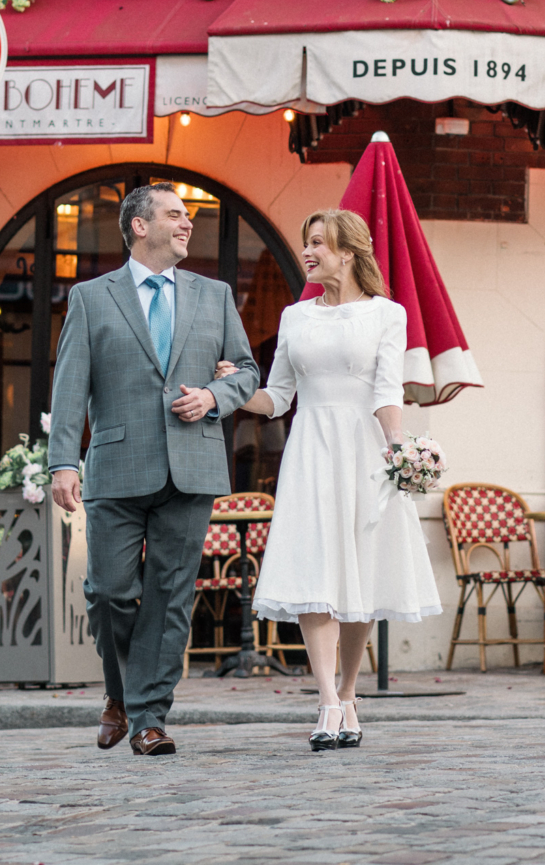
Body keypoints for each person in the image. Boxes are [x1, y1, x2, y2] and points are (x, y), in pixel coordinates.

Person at [49, 183, 260, 756]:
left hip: (192, 463)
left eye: (188, 216)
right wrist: (63, 461)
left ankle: (148, 719)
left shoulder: (213, 295)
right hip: (117, 464)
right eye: (175, 215)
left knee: (169, 596)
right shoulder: (92, 297)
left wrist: (215, 396)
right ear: (140, 226)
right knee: (109, 591)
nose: (187, 224)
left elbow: (247, 370)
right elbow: (71, 385)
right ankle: (121, 695)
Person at [225, 208, 441, 751]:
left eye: (318, 242)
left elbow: (387, 392)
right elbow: (276, 399)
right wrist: (227, 389)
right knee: (314, 571)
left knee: (360, 578)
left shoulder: (388, 315)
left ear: (348, 252)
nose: (308, 251)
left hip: (365, 451)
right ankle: (325, 700)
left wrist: (402, 455)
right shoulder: (295, 318)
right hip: (310, 452)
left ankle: (347, 693)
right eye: (307, 241)